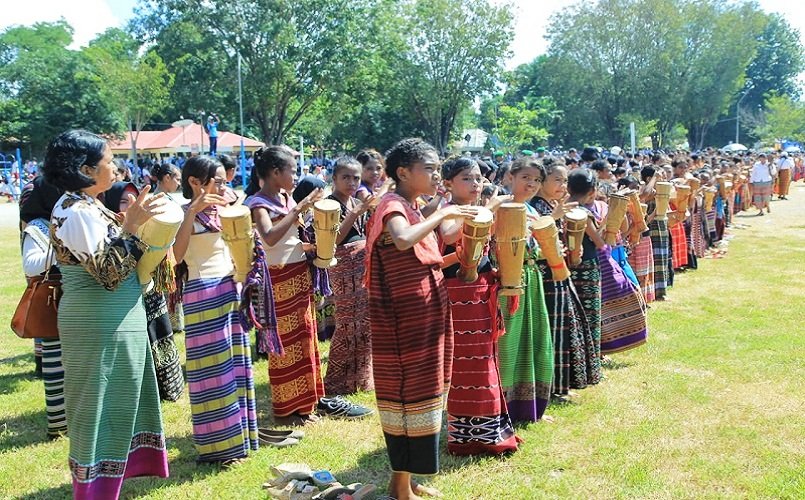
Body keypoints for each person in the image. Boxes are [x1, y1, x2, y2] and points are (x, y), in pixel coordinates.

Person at [42, 129, 169, 499]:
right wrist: (130, 225)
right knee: (95, 403)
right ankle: (92, 487)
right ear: (84, 169)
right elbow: (110, 272)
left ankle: (110, 479)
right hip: (96, 319)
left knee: (120, 396)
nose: (115, 167)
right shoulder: (74, 211)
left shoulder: (89, 205)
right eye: (108, 161)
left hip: (114, 317)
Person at [365, 138, 474, 499]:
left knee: (426, 394)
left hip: (424, 312)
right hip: (403, 320)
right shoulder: (393, 205)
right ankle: (399, 487)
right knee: (407, 396)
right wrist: (442, 213)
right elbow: (401, 241)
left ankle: (409, 479)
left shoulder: (410, 206)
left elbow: (423, 263)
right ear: (403, 173)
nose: (435, 174)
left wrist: (462, 256)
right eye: (428, 168)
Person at [245, 146, 371, 425]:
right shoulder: (259, 203)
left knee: (305, 340)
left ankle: (306, 405)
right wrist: (300, 208)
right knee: (286, 346)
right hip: (278, 279)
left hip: (298, 274)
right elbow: (269, 237)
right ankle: (287, 410)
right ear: (275, 173)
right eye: (292, 170)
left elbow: (290, 241)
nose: (295, 176)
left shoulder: (283, 197)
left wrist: (314, 246)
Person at [172, 155, 259, 464]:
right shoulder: (183, 214)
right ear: (195, 182)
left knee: (236, 364)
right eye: (219, 181)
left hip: (230, 289)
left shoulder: (226, 210)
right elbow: (175, 257)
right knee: (212, 371)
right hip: (202, 293)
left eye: (225, 181)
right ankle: (217, 447)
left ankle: (241, 440)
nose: (225, 187)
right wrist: (191, 213)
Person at [440, 157, 520, 456]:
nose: (475, 184)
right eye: (466, 179)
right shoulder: (447, 210)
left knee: (486, 357)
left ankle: (492, 428)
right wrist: (487, 209)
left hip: (482, 290)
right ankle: (468, 436)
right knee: (469, 363)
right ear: (448, 183)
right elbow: (448, 235)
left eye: (477, 179)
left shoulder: (477, 209)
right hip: (459, 295)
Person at [102, 181, 185, 403]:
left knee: (160, 342)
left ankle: (167, 388)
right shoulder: (107, 230)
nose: (131, 204)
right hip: (124, 303)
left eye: (135, 199)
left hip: (151, 296)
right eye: (123, 200)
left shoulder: (150, 225)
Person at [530, 159, 599, 397]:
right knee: (554, 327)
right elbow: (536, 238)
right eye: (556, 179)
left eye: (565, 180)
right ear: (542, 182)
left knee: (564, 324)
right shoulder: (536, 206)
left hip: (559, 270)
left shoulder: (553, 204)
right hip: (546, 273)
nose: (562, 185)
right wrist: (555, 215)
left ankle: (562, 383)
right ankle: (553, 386)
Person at [497, 157, 555, 422]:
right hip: (508, 281)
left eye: (536, 180)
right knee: (509, 342)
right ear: (511, 177)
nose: (531, 184)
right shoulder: (501, 206)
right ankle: (502, 406)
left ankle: (531, 405)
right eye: (526, 178)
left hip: (532, 278)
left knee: (535, 339)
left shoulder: (532, 211)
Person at [18, 176, 68, 439]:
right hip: (53, 302)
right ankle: (59, 424)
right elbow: (32, 264)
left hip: (70, 299)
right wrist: (63, 246)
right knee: (55, 363)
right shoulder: (38, 226)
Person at [322, 157, 375, 395]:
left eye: (355, 177)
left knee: (364, 323)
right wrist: (353, 214)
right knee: (346, 323)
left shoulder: (356, 202)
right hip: (342, 269)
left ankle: (361, 379)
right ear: (334, 179)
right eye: (346, 177)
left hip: (361, 267)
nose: (352, 182)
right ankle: (336, 381)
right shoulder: (328, 205)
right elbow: (332, 241)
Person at [566, 168, 606, 373]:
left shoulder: (560, 208)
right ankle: (591, 365)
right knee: (590, 317)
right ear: (592, 191)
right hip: (587, 267)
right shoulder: (584, 213)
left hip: (565, 267)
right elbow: (600, 242)